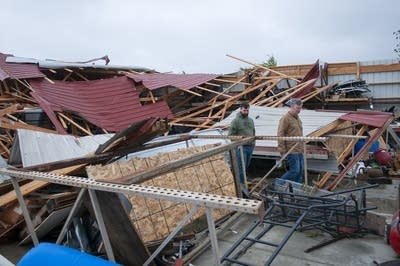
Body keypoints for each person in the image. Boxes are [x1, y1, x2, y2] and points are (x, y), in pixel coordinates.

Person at [277, 98, 304, 183]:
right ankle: (277, 184)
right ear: (292, 107)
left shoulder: (298, 119)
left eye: (300, 108)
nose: (299, 110)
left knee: (300, 171)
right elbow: (280, 135)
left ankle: (296, 190)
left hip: (299, 149)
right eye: (297, 108)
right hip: (291, 150)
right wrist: (283, 151)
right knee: (294, 171)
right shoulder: (285, 118)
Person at [229, 102, 255, 185]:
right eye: (244, 110)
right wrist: (239, 139)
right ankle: (241, 186)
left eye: (247, 110)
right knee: (241, 168)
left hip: (250, 146)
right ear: (240, 109)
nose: (246, 112)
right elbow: (230, 136)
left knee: (246, 166)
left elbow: (253, 133)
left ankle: (241, 184)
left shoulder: (251, 120)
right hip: (241, 147)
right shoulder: (235, 121)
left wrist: (254, 143)